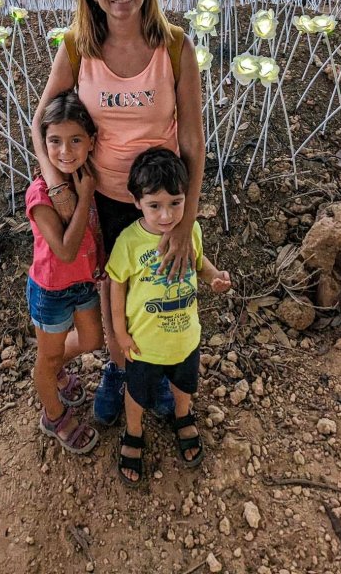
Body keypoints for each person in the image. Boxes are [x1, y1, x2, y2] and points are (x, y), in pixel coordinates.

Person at [32, 0, 206, 427]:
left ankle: (163, 369)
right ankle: (121, 368)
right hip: (103, 197)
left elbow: (193, 143)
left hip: (160, 201)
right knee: (116, 287)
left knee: (163, 285)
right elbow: (40, 121)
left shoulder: (175, 46)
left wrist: (185, 221)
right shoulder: (76, 47)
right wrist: (60, 187)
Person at [107, 148, 231, 484]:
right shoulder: (130, 242)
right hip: (144, 344)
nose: (166, 215)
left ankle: (182, 415)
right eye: (155, 205)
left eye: (176, 203)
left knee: (183, 383)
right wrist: (120, 332)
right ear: (137, 202)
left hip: (185, 336)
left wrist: (214, 277)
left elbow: (199, 263)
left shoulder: (190, 231)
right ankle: (134, 431)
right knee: (137, 391)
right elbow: (116, 285)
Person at [26, 91, 104, 454]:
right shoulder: (40, 194)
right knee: (48, 356)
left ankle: (55, 371)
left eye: (75, 140)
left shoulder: (86, 178)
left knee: (92, 341)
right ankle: (54, 416)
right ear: (44, 144)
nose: (65, 151)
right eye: (54, 141)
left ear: (91, 142)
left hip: (83, 282)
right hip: (50, 290)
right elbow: (66, 250)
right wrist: (85, 196)